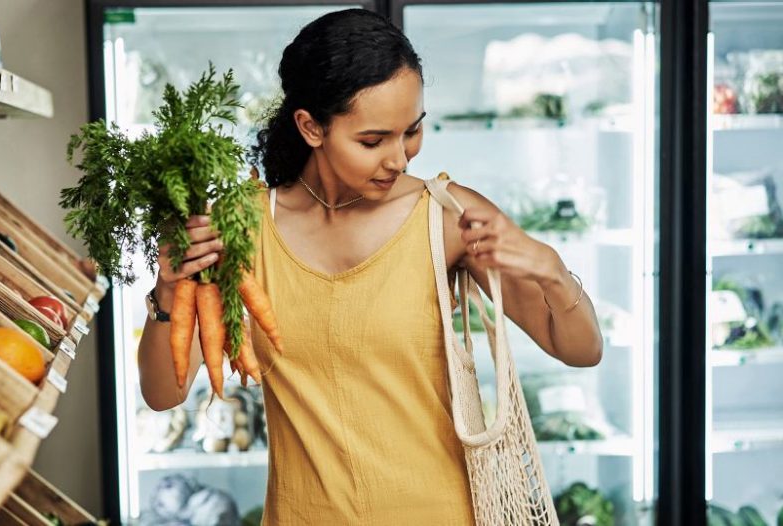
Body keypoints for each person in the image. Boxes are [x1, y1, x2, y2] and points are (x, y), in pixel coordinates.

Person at [138, 8, 603, 525]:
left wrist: (553, 271)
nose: (401, 159)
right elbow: (164, 394)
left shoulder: (447, 218)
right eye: (372, 140)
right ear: (311, 127)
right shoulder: (246, 227)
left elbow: (581, 349)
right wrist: (167, 291)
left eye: (412, 131)